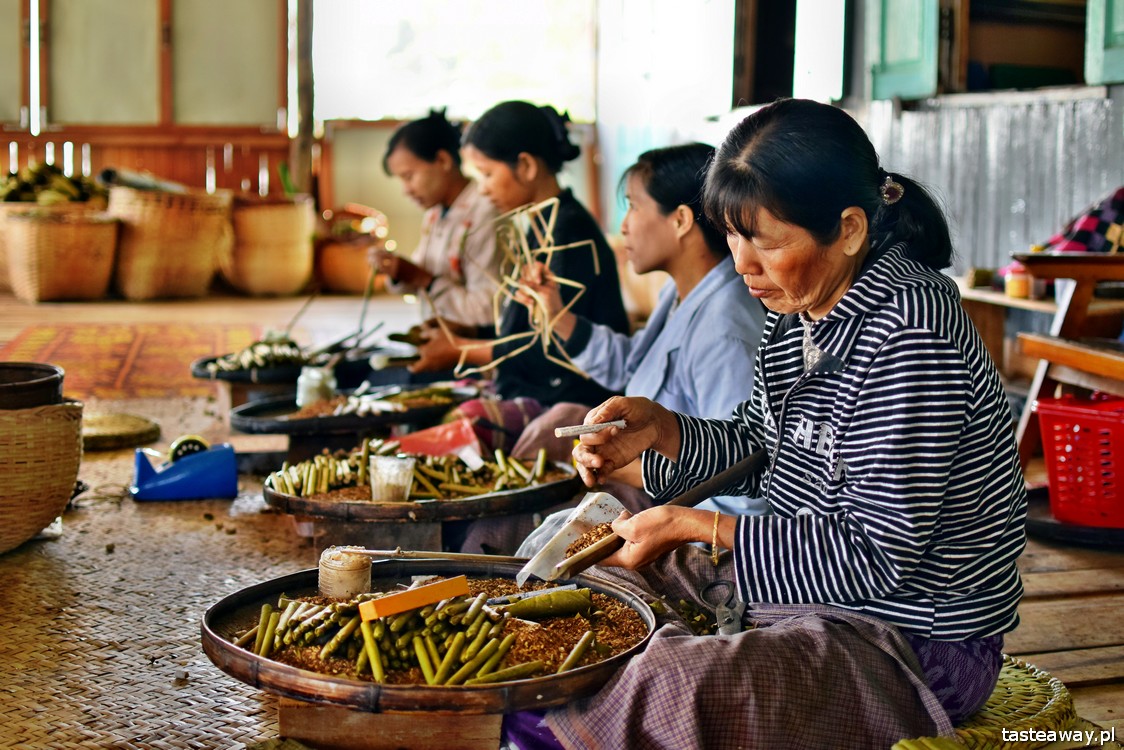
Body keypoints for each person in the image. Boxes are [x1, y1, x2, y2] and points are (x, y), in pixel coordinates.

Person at [505, 98, 1028, 749]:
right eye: (732, 234)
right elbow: (758, 443)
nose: (742, 263)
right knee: (578, 584)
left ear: (850, 229)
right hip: (797, 586)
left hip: (911, 638)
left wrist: (697, 525)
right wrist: (664, 430)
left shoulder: (910, 336)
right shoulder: (797, 312)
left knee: (670, 686)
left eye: (768, 241)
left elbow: (877, 555)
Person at [460, 142, 768, 555]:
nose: (623, 226)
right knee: (559, 426)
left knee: (523, 533)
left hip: (690, 517)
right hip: (655, 479)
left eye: (633, 206)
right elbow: (633, 364)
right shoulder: (681, 296)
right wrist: (555, 311)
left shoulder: (725, 327)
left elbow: (740, 483)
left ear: (679, 220)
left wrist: (631, 471)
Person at [411, 101, 630, 443]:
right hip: (527, 385)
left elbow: (556, 350)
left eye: (486, 173)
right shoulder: (540, 224)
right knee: (421, 399)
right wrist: (468, 330)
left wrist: (464, 349)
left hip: (567, 398)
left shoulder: (570, 235)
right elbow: (527, 326)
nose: (482, 188)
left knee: (453, 426)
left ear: (525, 165)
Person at [370, 109, 503, 329]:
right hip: (440, 337)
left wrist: (422, 279)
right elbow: (421, 278)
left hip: (471, 350)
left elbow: (488, 312)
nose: (406, 190)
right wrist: (396, 271)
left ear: (442, 160)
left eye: (409, 177)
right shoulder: (436, 212)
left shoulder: (484, 214)